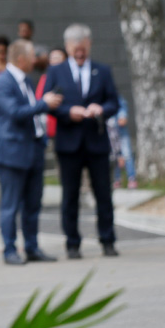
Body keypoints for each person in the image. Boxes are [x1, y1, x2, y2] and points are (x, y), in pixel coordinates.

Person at [42, 24, 120, 258]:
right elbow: (49, 105)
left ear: (89, 45)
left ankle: (108, 240)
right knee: (70, 195)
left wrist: (101, 109)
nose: (80, 53)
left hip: (96, 142)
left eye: (83, 49)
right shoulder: (56, 72)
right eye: (75, 49)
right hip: (69, 142)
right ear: (67, 48)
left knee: (103, 194)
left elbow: (113, 102)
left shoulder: (102, 70)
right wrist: (68, 112)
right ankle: (72, 243)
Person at [0, 40, 64, 265]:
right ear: (21, 59)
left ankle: (32, 247)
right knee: (11, 206)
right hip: (12, 154)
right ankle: (10, 249)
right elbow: (15, 112)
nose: (36, 60)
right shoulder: (3, 82)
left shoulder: (26, 81)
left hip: (33, 150)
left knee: (33, 204)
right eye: (32, 56)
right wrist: (44, 104)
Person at [36, 47, 66, 140]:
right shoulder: (45, 78)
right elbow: (39, 99)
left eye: (57, 57)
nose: (54, 60)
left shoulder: (72, 78)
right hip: (48, 123)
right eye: (52, 58)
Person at [109, 96, 137, 189]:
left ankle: (131, 178)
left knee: (127, 155)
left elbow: (122, 120)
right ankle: (117, 179)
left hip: (120, 133)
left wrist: (122, 116)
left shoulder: (118, 100)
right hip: (110, 134)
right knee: (114, 157)